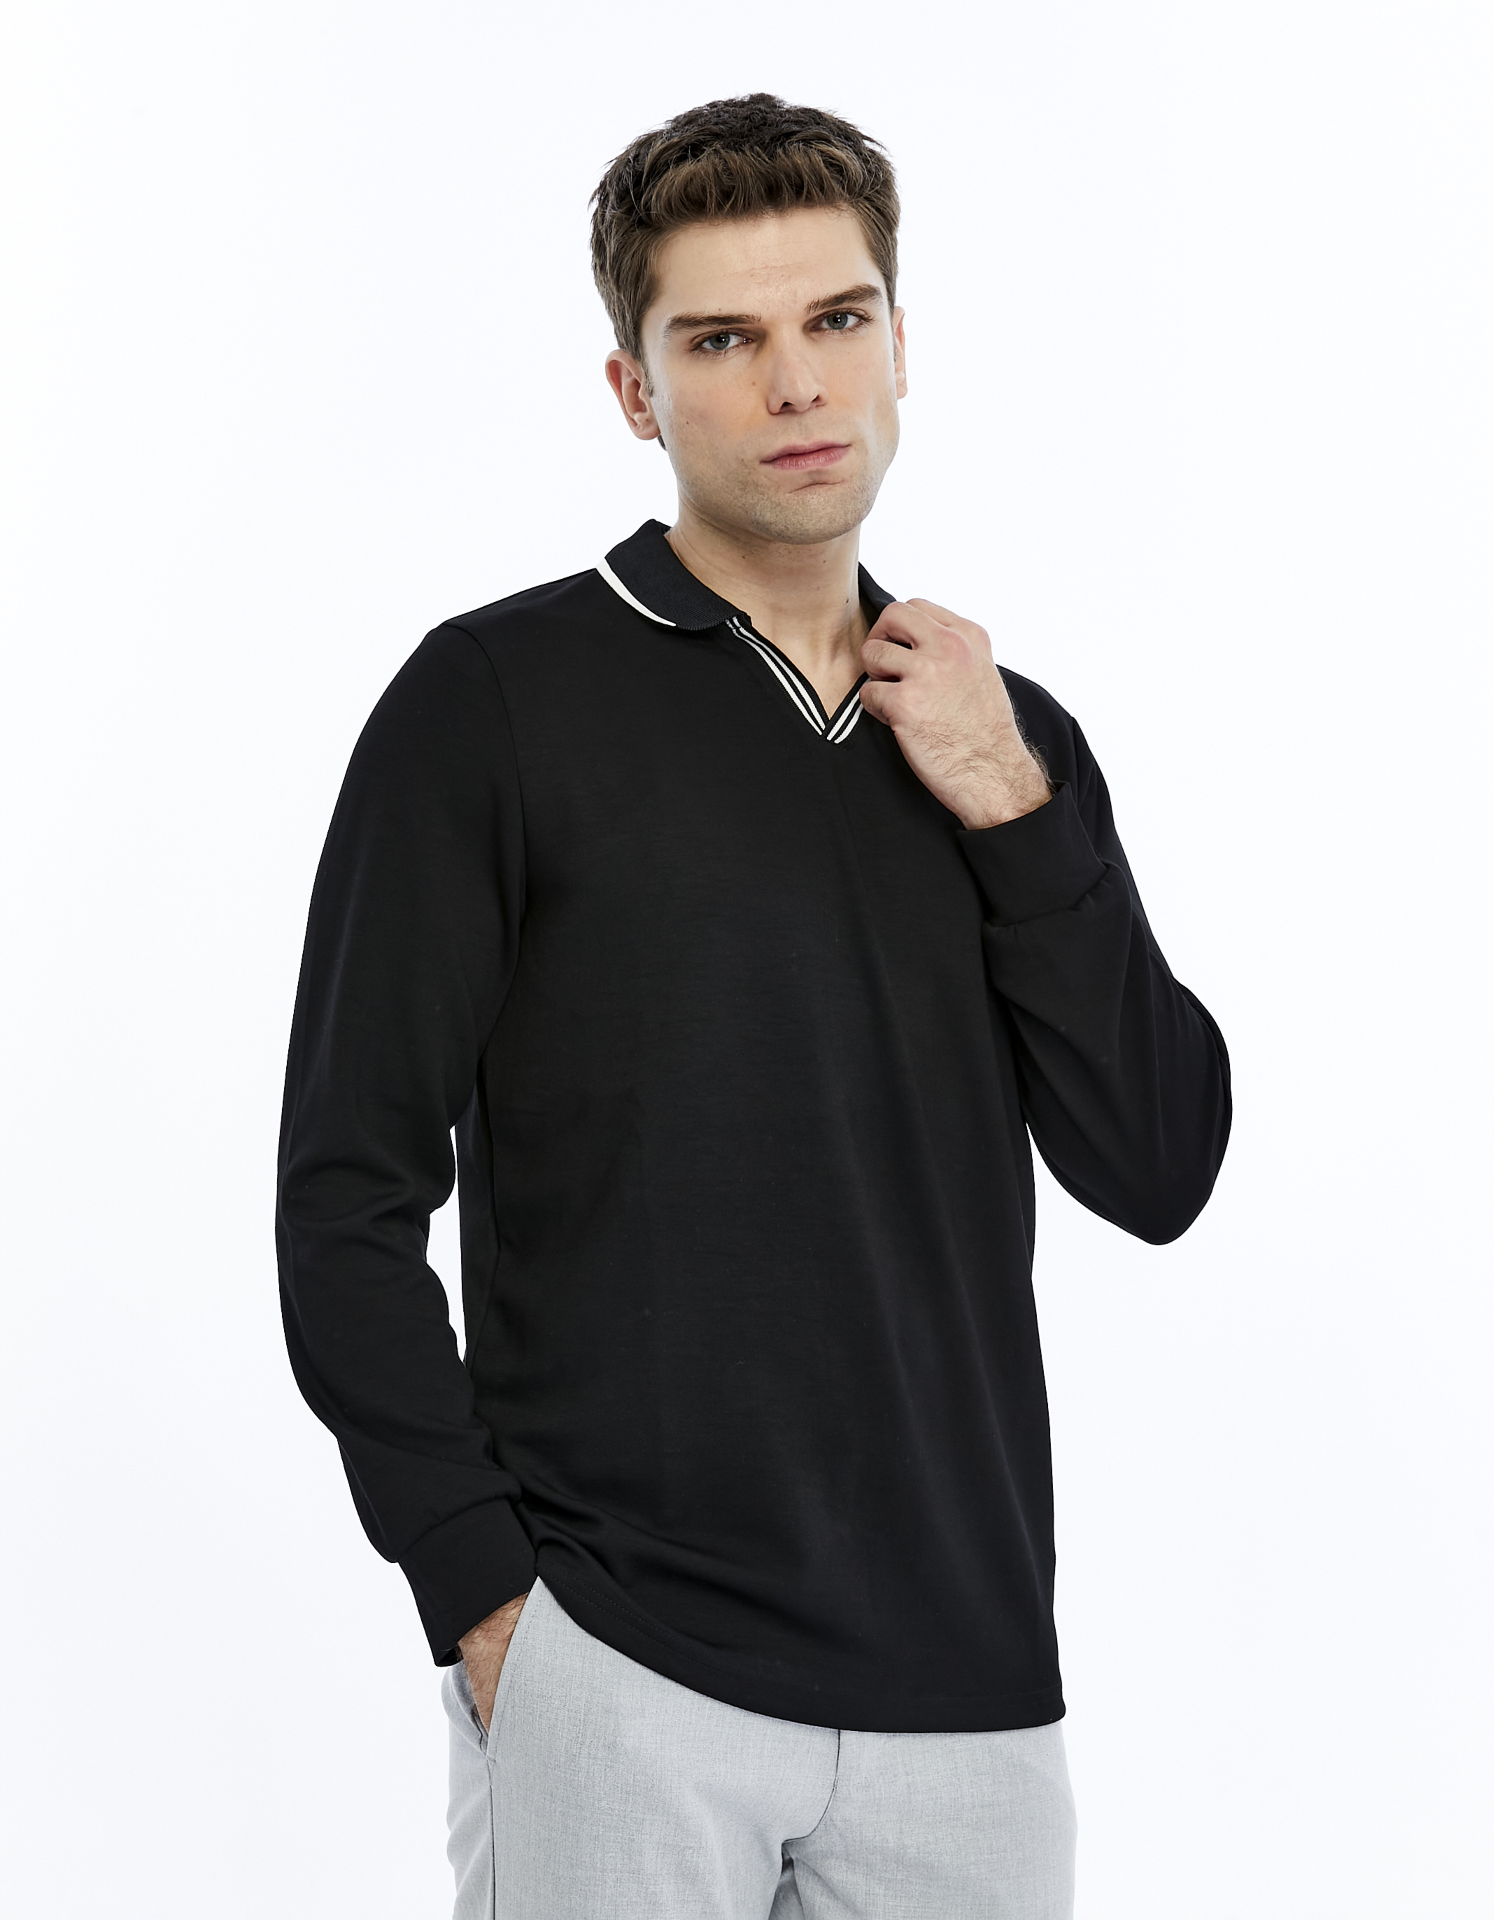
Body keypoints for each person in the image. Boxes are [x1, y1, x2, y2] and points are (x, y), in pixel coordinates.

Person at [276, 92, 1231, 1920]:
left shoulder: (1000, 734)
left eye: (835, 320)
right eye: (720, 339)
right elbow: (343, 1195)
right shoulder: (492, 703)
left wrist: (1010, 801)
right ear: (634, 391)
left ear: (898, 345)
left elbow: (1160, 1163)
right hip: (624, 1666)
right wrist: (482, 1598)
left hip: (970, 1693)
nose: (795, 383)